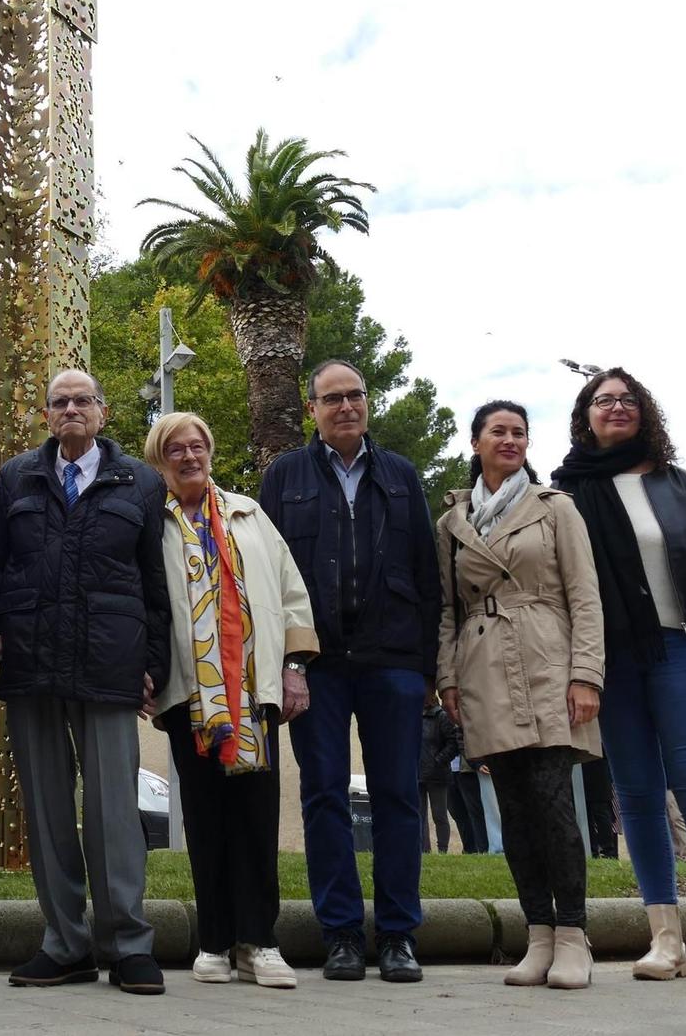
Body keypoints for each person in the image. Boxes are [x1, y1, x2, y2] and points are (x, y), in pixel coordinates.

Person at [0, 369, 172, 996]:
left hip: (110, 663)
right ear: (48, 416)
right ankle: (66, 944)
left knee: (113, 811)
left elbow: (156, 585)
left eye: (83, 401)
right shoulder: (16, 477)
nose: (72, 410)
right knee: (48, 813)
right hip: (30, 661)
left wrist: (155, 665)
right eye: (60, 403)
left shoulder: (140, 481)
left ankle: (127, 945)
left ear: (103, 414)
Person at [550, 368, 686, 989]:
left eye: (627, 399)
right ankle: (665, 940)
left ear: (645, 413)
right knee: (635, 794)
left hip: (682, 649)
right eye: (603, 400)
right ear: (586, 415)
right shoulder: (564, 492)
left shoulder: (678, 484)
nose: (616, 407)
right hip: (608, 659)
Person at [258, 359, 441, 983]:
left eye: (355, 395)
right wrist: (285, 661)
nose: (345, 406)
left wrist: (429, 669)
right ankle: (339, 933)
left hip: (393, 661)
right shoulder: (284, 475)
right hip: (318, 664)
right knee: (324, 795)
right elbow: (268, 576)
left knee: (397, 798)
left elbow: (426, 572)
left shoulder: (400, 474)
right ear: (312, 409)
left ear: (368, 403)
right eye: (332, 398)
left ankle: (397, 936)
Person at [143, 411, 316, 990]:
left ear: (210, 452)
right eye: (175, 450)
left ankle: (260, 943)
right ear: (159, 461)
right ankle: (215, 941)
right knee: (206, 818)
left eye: (197, 446)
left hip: (254, 693)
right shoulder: (150, 522)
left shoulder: (248, 513)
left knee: (255, 817)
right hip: (189, 695)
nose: (189, 457)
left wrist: (294, 668)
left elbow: (291, 592)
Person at [436, 400, 603, 990]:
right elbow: (446, 610)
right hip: (481, 669)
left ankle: (574, 935)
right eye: (498, 432)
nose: (510, 440)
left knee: (555, 803)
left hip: (546, 660)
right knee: (512, 811)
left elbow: (585, 595)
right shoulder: (453, 522)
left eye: (520, 433)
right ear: (476, 442)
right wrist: (447, 677)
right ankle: (537, 935)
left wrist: (587, 675)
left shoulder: (555, 509)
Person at [419, 692, 458, 854]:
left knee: (439, 815)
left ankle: (443, 850)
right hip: (418, 773)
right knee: (419, 815)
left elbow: (453, 743)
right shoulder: (414, 717)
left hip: (437, 774)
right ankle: (423, 849)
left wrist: (438, 760)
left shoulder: (441, 716)